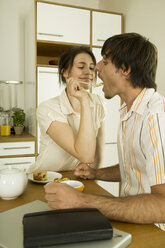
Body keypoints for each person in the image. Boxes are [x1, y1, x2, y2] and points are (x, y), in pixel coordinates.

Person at [44, 33, 165, 231]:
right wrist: (96, 173)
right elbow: (134, 166)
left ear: (125, 69)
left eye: (105, 61)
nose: (96, 68)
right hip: (134, 222)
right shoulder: (129, 111)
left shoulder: (156, 117)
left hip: (155, 232)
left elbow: (162, 206)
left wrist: (82, 201)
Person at [28, 46, 105, 172]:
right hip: (44, 178)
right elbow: (86, 156)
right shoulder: (48, 108)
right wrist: (84, 100)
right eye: (81, 67)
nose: (89, 72)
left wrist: (94, 181)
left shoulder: (98, 103)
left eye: (91, 67)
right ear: (65, 72)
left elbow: (98, 154)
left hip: (75, 179)